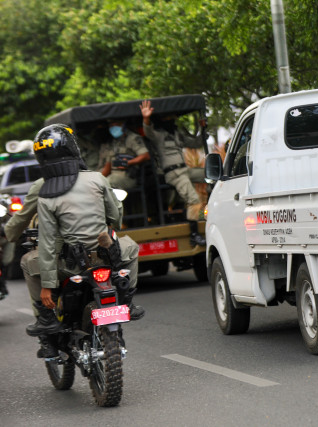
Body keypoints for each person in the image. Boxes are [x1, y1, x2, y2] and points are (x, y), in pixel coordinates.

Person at [15, 124, 144, 356]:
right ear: (74, 150)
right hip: (107, 257)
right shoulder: (97, 179)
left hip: (71, 263)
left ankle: (46, 318)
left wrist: (47, 286)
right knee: (131, 247)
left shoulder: (45, 194)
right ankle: (128, 301)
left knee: (27, 261)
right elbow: (115, 219)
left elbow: (48, 243)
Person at [139, 100, 206, 246]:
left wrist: (203, 130)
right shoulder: (158, 135)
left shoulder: (176, 134)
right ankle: (194, 234)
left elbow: (195, 143)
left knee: (211, 174)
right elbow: (148, 130)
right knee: (193, 200)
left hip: (184, 169)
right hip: (173, 173)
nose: (172, 120)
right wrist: (146, 118)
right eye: (168, 117)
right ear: (161, 119)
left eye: (173, 117)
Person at [98, 120, 150, 191]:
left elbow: (146, 155)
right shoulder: (114, 142)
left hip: (128, 177)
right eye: (110, 125)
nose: (112, 127)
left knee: (109, 182)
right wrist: (97, 179)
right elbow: (108, 165)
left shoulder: (132, 138)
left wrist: (128, 163)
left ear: (122, 124)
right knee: (98, 184)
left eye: (114, 124)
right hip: (113, 175)